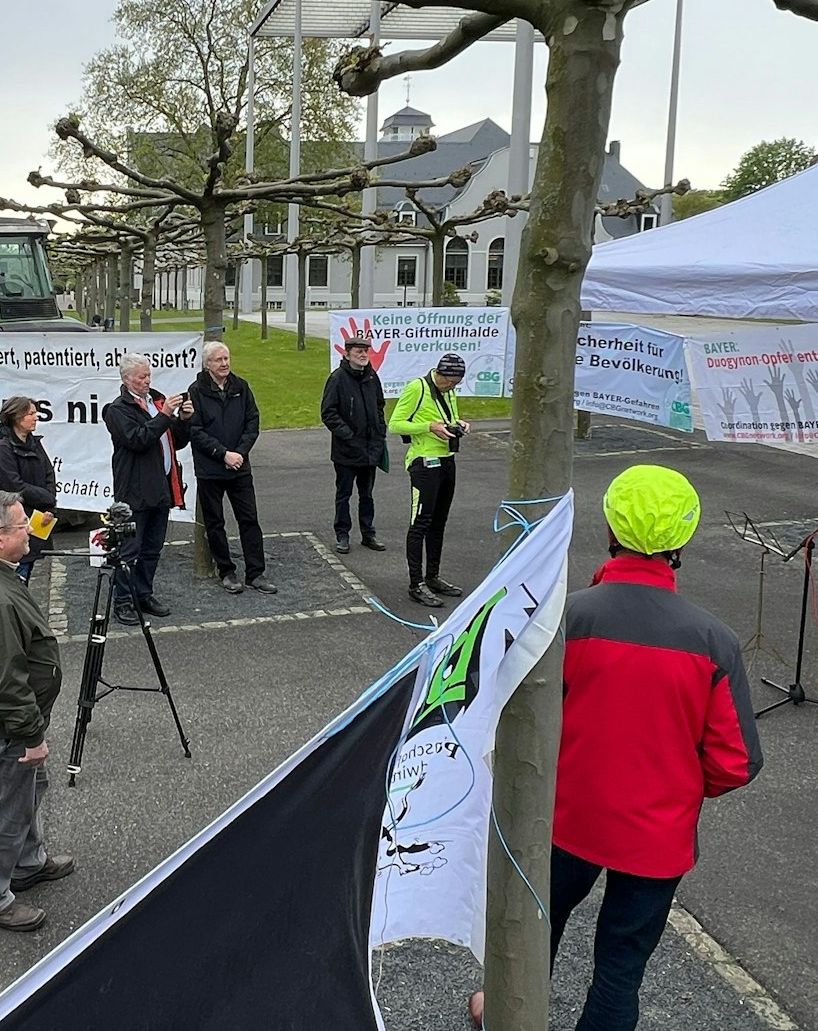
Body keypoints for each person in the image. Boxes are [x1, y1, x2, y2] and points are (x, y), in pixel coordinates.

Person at [471, 465, 761, 1031]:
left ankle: (502, 1016)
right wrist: (669, 782)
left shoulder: (564, 618)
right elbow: (736, 763)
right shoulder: (712, 641)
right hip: (656, 832)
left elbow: (511, 719)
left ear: (610, 527)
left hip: (564, 818)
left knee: (532, 941)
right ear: (681, 539)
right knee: (620, 972)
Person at [0, 490, 74, 932]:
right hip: (7, 728)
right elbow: (5, 681)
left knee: (29, 791)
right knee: (7, 810)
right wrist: (31, 737)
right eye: (23, 525)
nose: (32, 529)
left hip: (10, 722)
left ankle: (27, 862)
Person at [102, 354, 193, 627]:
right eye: (141, 377)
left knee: (152, 549)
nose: (147, 381)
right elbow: (138, 439)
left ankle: (144, 594)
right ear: (126, 379)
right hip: (134, 491)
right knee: (130, 549)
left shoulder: (156, 400)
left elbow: (175, 441)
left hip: (161, 487)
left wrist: (184, 420)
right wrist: (165, 416)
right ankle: (123, 601)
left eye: (148, 375)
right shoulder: (117, 410)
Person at [187, 342, 274, 595]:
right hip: (210, 470)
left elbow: (252, 422)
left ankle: (255, 573)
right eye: (218, 360)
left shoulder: (241, 387)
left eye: (226, 358)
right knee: (215, 523)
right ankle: (226, 571)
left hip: (239, 467)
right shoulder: (195, 392)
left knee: (249, 519)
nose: (224, 363)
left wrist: (239, 453)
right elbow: (196, 431)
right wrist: (222, 454)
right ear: (207, 364)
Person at [388, 353, 471, 608]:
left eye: (456, 384)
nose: (451, 387)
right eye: (449, 382)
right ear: (439, 373)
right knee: (420, 523)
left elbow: (448, 417)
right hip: (424, 463)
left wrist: (459, 424)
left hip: (447, 460)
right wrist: (429, 427)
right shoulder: (418, 388)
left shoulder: (450, 391)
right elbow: (395, 424)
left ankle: (432, 576)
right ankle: (416, 584)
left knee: (439, 521)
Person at [320, 334, 388, 556]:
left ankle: (368, 534)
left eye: (365, 350)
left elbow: (380, 404)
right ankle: (342, 535)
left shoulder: (371, 377)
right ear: (347, 353)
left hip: (370, 449)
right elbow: (328, 413)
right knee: (344, 494)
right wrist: (347, 435)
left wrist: (379, 430)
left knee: (367, 494)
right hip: (346, 451)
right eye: (358, 350)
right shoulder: (338, 378)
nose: (363, 354)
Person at [0, 395, 57, 583]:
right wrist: (46, 498)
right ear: (17, 417)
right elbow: (14, 486)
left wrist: (50, 507)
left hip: (36, 518)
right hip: (15, 522)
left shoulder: (35, 444)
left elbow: (49, 474)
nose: (36, 417)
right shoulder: (2, 449)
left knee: (28, 569)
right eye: (31, 414)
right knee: (17, 576)